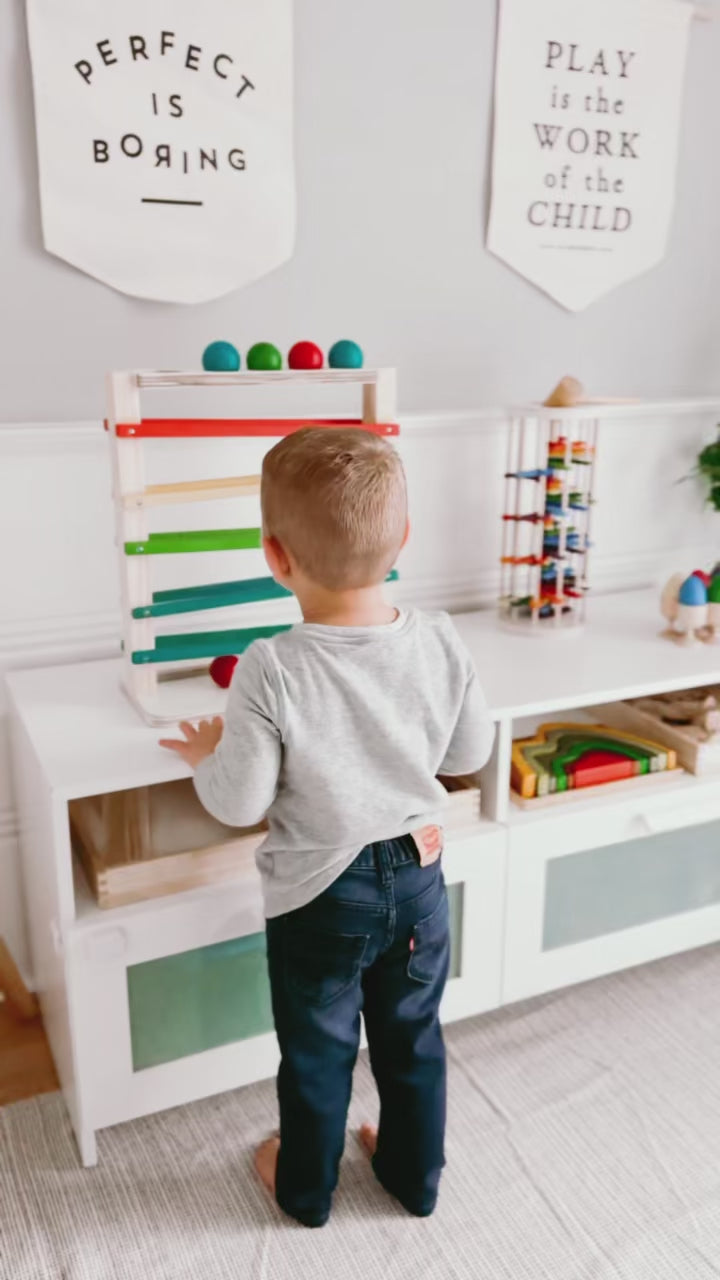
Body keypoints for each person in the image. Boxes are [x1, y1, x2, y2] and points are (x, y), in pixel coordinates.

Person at [160, 427, 495, 1228]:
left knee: (319, 1051)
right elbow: (472, 750)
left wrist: (208, 753)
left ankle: (305, 1190)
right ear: (402, 542)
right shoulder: (441, 638)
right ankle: (414, 1177)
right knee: (412, 1038)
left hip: (321, 896)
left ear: (276, 556)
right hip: (418, 881)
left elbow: (239, 802)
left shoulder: (272, 665)